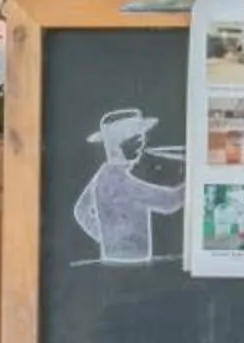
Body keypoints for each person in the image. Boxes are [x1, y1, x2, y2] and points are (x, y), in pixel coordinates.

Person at [75, 107, 184, 264]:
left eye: (142, 139)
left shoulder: (104, 172)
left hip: (116, 257)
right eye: (136, 141)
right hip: (132, 262)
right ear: (117, 144)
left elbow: (81, 210)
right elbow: (169, 202)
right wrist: (194, 180)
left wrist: (107, 238)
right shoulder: (121, 179)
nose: (142, 145)